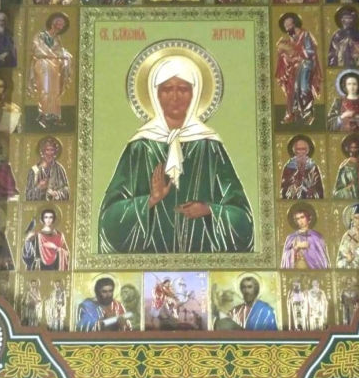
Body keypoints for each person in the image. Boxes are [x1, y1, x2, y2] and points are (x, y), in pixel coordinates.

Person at [98, 55, 254, 254]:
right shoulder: (140, 146)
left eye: (183, 89)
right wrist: (150, 200)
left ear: (194, 94)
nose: (175, 97)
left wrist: (209, 210)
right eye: (167, 89)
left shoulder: (209, 145)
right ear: (155, 94)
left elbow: (241, 215)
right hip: (149, 257)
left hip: (202, 254)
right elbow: (109, 218)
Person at [28, 12, 73, 129]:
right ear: (53, 22)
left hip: (54, 68)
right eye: (59, 23)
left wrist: (64, 56)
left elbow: (60, 52)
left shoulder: (57, 39)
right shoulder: (40, 35)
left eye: (62, 25)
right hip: (42, 65)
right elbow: (37, 50)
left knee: (54, 92)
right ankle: (43, 115)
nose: (60, 26)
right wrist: (54, 55)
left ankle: (55, 116)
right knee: (45, 89)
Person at [275, 13, 322, 125]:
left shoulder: (305, 35)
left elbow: (310, 51)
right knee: (291, 90)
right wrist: (284, 54)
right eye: (285, 27)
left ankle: (308, 114)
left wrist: (296, 53)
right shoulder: (290, 39)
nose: (287, 29)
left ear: (294, 24)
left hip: (306, 64)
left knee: (304, 87)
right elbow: (289, 55)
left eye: (288, 26)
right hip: (294, 67)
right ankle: (292, 113)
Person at [25, 137, 69, 201]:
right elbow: (28, 195)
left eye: (52, 150)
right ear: (42, 152)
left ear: (55, 152)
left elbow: (66, 190)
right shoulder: (34, 170)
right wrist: (39, 187)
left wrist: (56, 194)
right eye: (47, 150)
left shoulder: (59, 169)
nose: (49, 153)